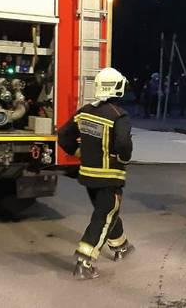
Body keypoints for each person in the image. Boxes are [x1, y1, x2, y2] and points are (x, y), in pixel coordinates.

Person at [57, 67, 134, 280]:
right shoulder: (120, 115)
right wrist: (124, 159)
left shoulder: (84, 111)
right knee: (105, 214)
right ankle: (85, 260)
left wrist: (77, 151)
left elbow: (63, 135)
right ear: (117, 88)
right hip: (109, 176)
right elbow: (123, 143)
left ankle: (121, 246)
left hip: (88, 176)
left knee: (106, 210)